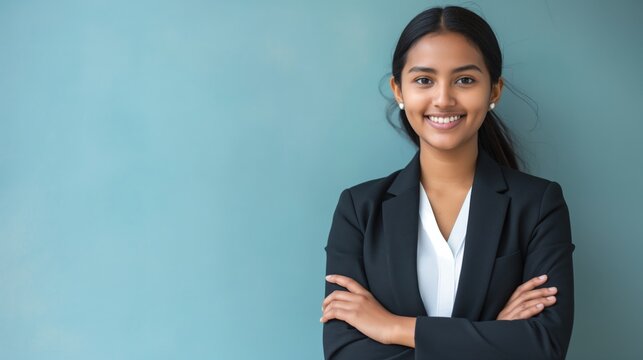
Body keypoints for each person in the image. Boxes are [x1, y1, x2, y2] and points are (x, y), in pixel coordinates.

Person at [320, 6, 575, 360]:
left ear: (494, 90)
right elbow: (345, 354)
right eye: (424, 80)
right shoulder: (358, 210)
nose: (443, 99)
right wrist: (495, 335)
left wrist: (394, 327)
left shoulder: (538, 204)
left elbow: (545, 347)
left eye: (465, 80)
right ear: (399, 89)